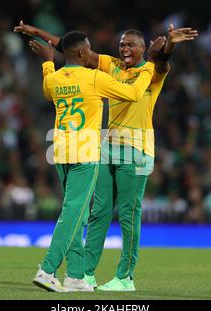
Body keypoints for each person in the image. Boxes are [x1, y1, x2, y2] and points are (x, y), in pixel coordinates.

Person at [15, 21, 198, 291]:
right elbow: (74, 50)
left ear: (144, 48)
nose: (125, 48)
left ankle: (125, 276)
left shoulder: (153, 71)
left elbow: (161, 61)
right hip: (106, 145)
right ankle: (84, 274)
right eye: (122, 44)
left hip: (136, 148)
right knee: (98, 212)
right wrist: (38, 32)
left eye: (131, 45)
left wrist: (169, 45)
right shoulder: (109, 66)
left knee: (128, 214)